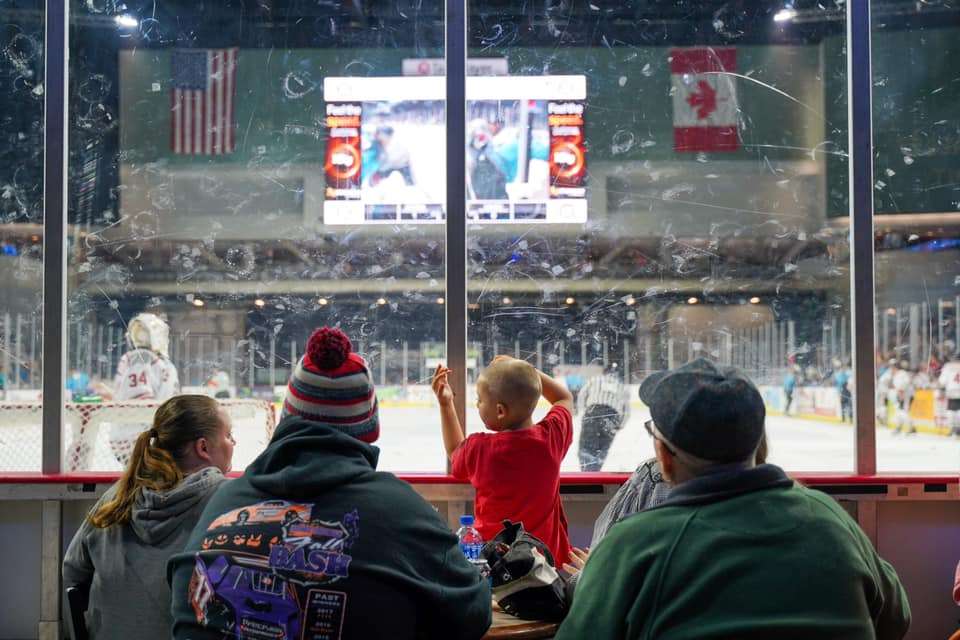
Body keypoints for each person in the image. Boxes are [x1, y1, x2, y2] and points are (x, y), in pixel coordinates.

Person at [169, 327, 491, 640]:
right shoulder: (403, 513)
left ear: (286, 418)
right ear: (369, 427)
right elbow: (473, 614)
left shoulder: (222, 504)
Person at [555, 358, 910, 640]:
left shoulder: (634, 545)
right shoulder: (830, 518)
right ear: (757, 444)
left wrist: (592, 582)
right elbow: (896, 619)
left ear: (663, 455)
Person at [62, 395, 233, 640]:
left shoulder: (118, 496)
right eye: (228, 435)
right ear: (203, 448)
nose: (233, 442)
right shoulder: (225, 501)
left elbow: (73, 571)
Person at [433, 355, 573, 565]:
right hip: (544, 564)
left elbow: (455, 451)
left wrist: (446, 404)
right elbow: (564, 398)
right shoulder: (551, 438)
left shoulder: (479, 449)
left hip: (496, 562)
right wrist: (526, 369)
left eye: (479, 399)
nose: (477, 404)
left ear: (500, 411)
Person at [94, 313, 181, 465]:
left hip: (137, 437)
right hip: (141, 439)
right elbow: (140, 402)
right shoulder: (145, 359)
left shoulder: (146, 360)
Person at [577, 363, 631, 471]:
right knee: (602, 448)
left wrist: (584, 411)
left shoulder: (595, 380)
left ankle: (586, 472)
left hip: (593, 412)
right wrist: (620, 425)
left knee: (586, 447)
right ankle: (595, 470)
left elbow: (582, 395)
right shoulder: (622, 387)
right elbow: (627, 410)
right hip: (612, 416)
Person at [938, 350, 960, 436]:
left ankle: (952, 429)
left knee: (951, 411)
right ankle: (958, 429)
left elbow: (942, 381)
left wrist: (941, 389)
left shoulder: (948, 366)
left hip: (951, 391)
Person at [892, 359, 916, 435]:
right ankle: (899, 426)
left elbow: (906, 382)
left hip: (906, 396)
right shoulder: (898, 374)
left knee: (903, 412)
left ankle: (911, 427)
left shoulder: (902, 373)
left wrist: (901, 390)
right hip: (903, 395)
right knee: (899, 411)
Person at [833, 358, 853, 423]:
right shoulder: (840, 375)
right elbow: (838, 384)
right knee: (844, 405)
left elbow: (846, 383)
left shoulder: (847, 374)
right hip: (844, 391)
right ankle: (845, 418)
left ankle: (849, 418)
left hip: (846, 391)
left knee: (848, 405)